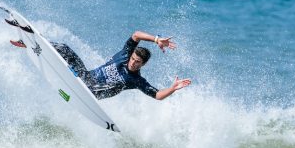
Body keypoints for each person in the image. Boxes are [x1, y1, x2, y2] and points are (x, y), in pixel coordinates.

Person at [52, 31, 191, 100]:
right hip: (84, 77)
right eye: (133, 59)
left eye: (138, 62)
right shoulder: (125, 54)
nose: (133, 62)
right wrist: (156, 39)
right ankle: (33, 41)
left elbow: (157, 95)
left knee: (119, 85)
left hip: (94, 93)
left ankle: (85, 93)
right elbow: (136, 35)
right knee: (64, 48)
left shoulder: (136, 80)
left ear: (143, 64)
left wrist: (172, 88)